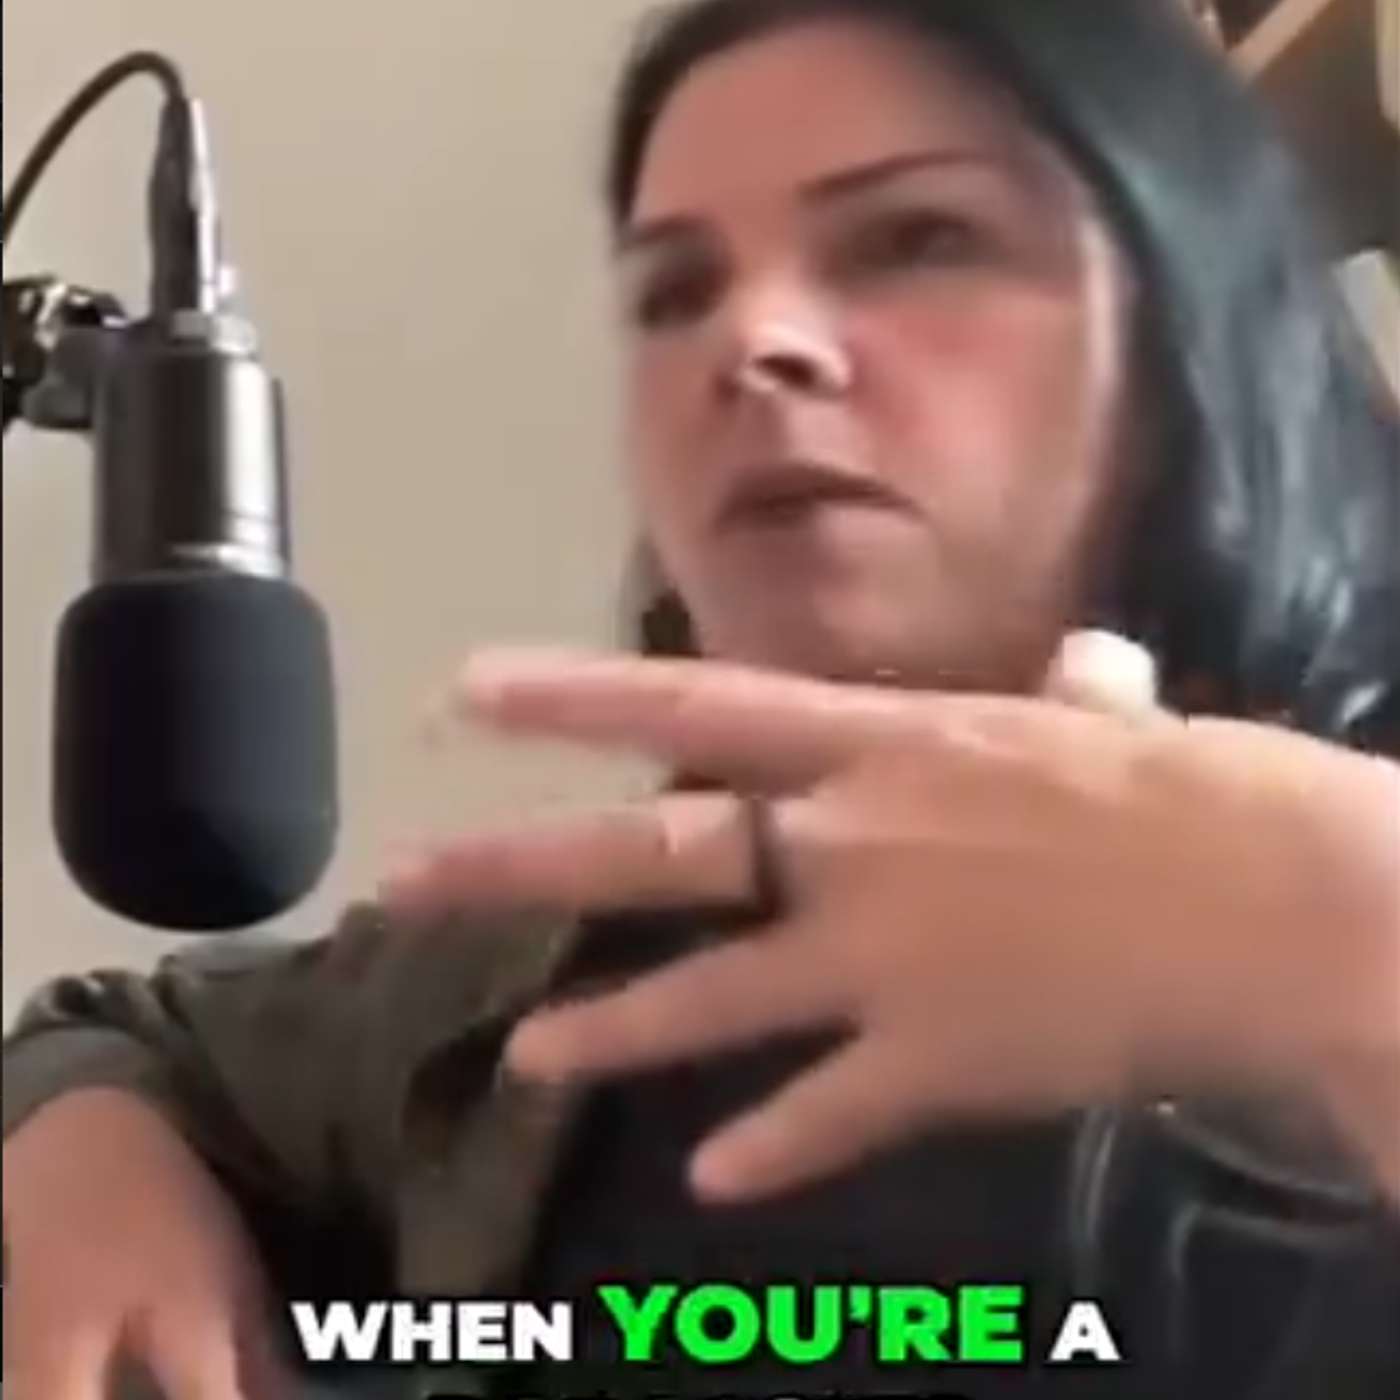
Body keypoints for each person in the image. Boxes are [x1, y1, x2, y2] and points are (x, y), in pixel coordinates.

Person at [4, 1, 1399, 1397]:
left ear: (1190, 330)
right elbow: (119, 1034)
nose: (754, 340)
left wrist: (1344, 938)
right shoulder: (526, 985)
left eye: (918, 239)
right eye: (677, 290)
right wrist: (90, 1172)